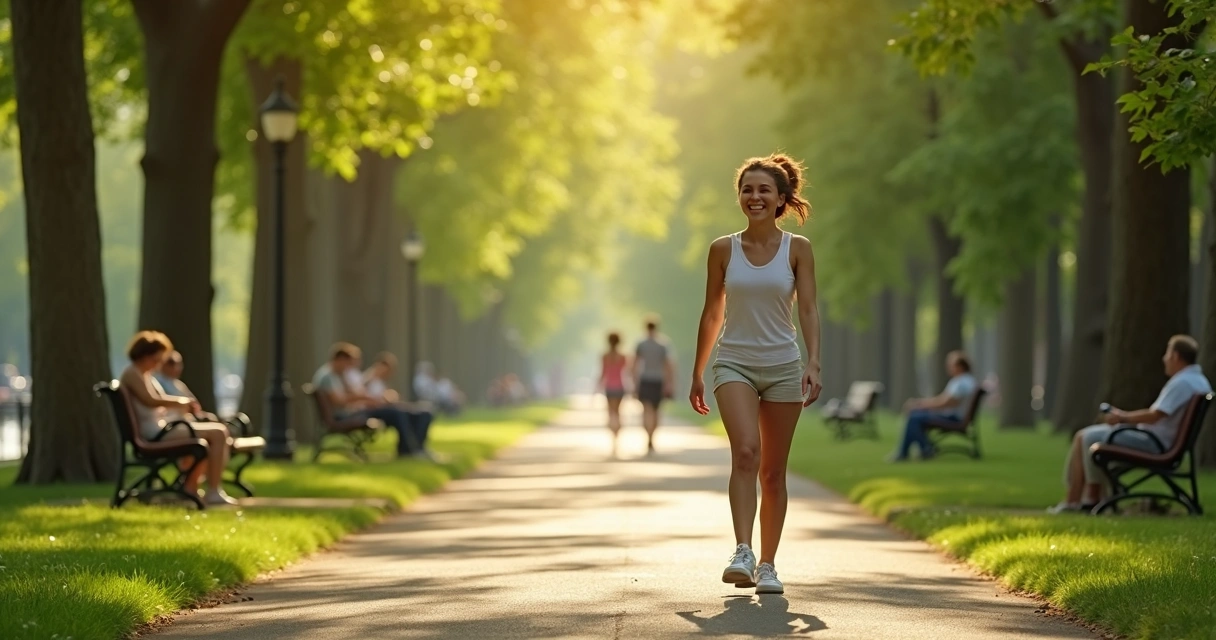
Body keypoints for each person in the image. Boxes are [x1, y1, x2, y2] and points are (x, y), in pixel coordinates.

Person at [689, 153, 822, 595]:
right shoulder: (723, 249)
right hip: (735, 363)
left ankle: (768, 564)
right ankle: (742, 551)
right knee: (746, 452)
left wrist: (813, 362)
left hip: (784, 365)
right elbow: (712, 312)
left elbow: (808, 309)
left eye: (764, 189)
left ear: (781, 198)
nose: (754, 197)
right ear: (740, 197)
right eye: (747, 189)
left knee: (774, 472)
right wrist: (698, 371)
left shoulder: (797, 250)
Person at [1049, 335, 1212, 514]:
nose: (1164, 359)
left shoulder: (1183, 382)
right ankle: (1086, 499)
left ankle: (1085, 500)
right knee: (1085, 435)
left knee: (1087, 436)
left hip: (1155, 443)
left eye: (1167, 354)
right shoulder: (1198, 381)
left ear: (1175, 356)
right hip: (1160, 441)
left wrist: (1122, 417)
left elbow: (1156, 414)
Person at [118, 331, 238, 506]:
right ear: (145, 355)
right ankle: (211, 491)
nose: (158, 364)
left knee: (211, 437)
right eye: (156, 359)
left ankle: (191, 488)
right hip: (154, 433)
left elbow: (154, 402)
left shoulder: (143, 375)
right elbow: (150, 400)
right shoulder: (133, 374)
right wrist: (181, 402)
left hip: (161, 428)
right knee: (218, 433)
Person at [313, 343, 434, 459]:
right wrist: (365, 398)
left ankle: (414, 448)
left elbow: (353, 394)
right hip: (345, 417)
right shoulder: (327, 376)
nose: (350, 367)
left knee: (401, 412)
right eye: (348, 363)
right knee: (396, 413)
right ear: (340, 359)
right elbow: (339, 401)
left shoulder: (337, 375)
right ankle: (407, 450)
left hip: (352, 413)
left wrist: (368, 398)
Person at [887, 350, 978, 462]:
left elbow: (947, 403)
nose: (948, 368)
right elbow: (944, 400)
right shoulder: (966, 381)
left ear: (959, 366)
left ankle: (922, 449)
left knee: (914, 418)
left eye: (951, 365)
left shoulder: (961, 382)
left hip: (954, 418)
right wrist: (920, 403)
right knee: (914, 415)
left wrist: (921, 405)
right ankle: (916, 450)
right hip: (955, 416)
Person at [633, 316, 675, 454]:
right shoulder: (663, 344)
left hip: (645, 379)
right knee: (656, 412)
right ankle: (652, 436)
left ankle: (648, 435)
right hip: (659, 380)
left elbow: (635, 364)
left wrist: (634, 382)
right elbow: (668, 365)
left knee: (646, 411)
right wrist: (669, 382)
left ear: (646, 327)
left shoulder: (641, 344)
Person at [599, 332, 629, 455]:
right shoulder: (622, 356)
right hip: (620, 387)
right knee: (618, 412)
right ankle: (617, 435)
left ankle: (613, 436)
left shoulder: (605, 356)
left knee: (611, 412)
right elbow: (626, 372)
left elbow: (603, 373)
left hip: (609, 388)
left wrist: (598, 385)